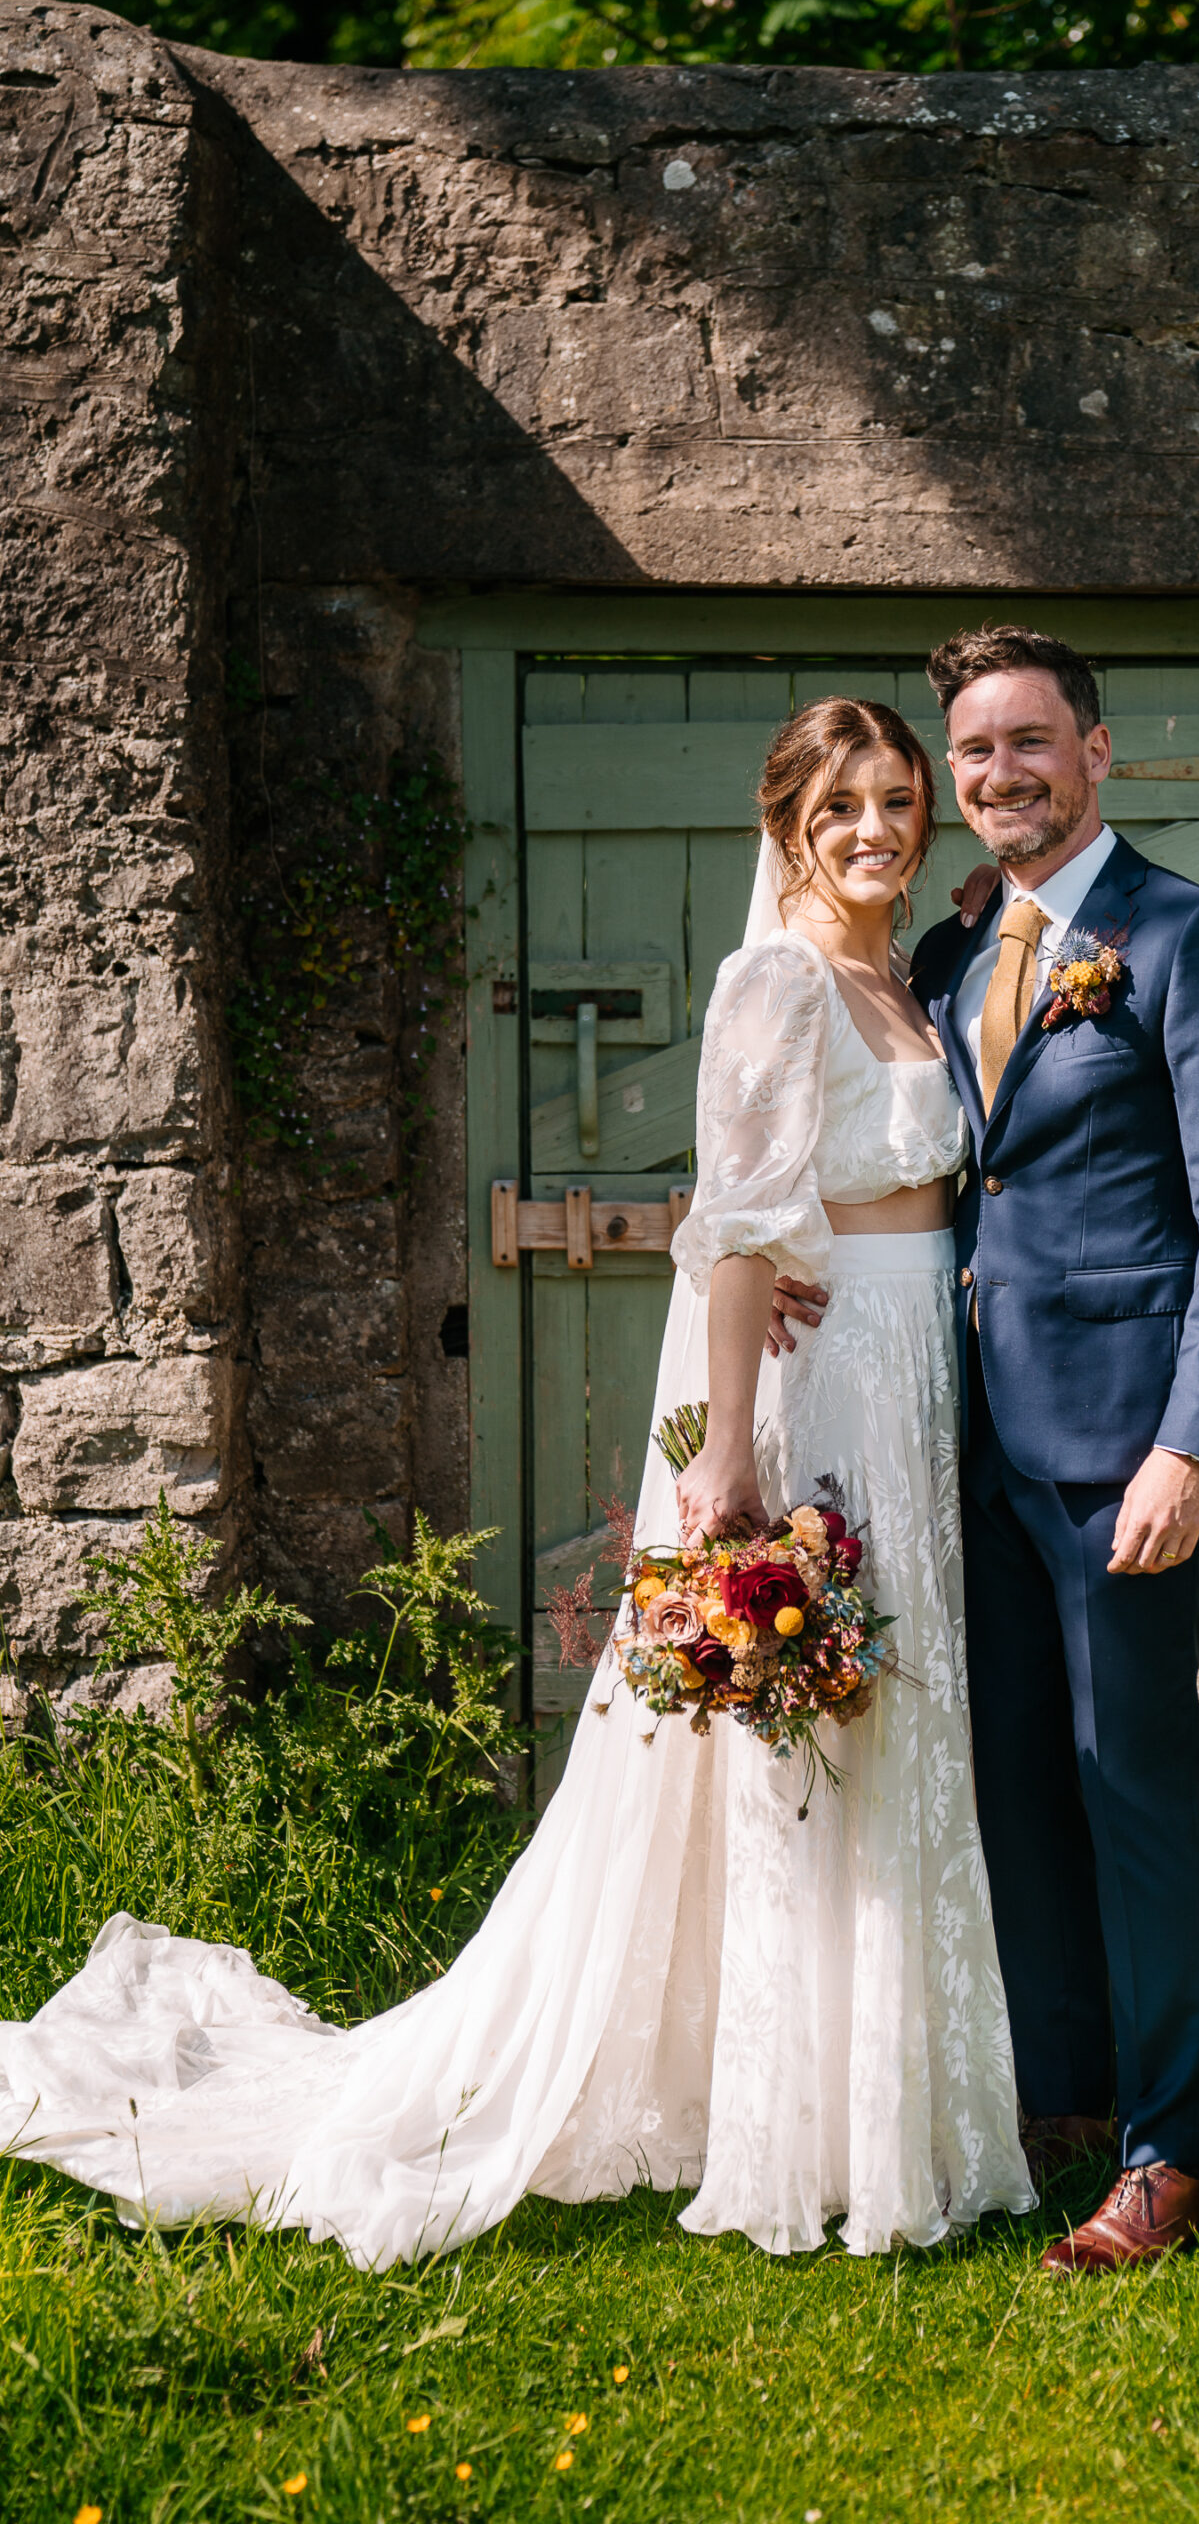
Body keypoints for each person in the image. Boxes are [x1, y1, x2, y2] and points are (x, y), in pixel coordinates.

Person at [0, 697, 1033, 2271]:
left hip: (909, 1373)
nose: (878, 828)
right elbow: (746, 1228)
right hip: (820, 1402)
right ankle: (803, 2129)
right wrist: (736, 1459)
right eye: (843, 808)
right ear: (787, 827)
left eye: (898, 798)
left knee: (893, 1723)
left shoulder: (906, 971)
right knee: (809, 1736)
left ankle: (891, 2099)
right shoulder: (774, 980)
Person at [770, 628, 1199, 2274]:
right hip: (962, 1451)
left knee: (1131, 1789)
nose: (999, 775)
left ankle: (1171, 2151)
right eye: (974, 753)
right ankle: (1063, 2096)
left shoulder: (1187, 939)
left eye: (1027, 743)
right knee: (1015, 1790)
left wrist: (1192, 1448)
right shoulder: (949, 950)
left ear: (1098, 752)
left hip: (1121, 1452)